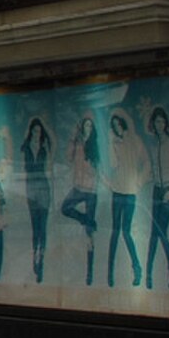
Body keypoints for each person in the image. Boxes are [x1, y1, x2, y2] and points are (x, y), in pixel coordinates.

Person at [106, 111, 149, 287]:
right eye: (114, 126)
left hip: (130, 191)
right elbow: (113, 164)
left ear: (123, 123)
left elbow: (146, 162)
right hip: (117, 190)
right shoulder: (114, 143)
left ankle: (137, 268)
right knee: (115, 232)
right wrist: (110, 142)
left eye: (118, 124)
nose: (117, 128)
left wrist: (139, 182)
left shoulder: (135, 140)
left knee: (125, 231)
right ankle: (110, 273)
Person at [144, 105, 169, 290]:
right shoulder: (154, 144)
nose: (159, 124)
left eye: (161, 121)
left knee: (162, 232)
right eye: (156, 121)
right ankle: (148, 274)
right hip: (156, 189)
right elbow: (152, 169)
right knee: (154, 232)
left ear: (165, 123)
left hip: (167, 190)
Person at [60, 116, 100, 285]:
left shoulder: (94, 144)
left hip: (91, 190)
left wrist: (98, 183)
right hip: (78, 187)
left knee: (89, 235)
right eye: (86, 125)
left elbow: (98, 167)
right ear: (82, 127)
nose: (88, 128)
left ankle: (89, 272)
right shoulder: (77, 143)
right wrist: (73, 138)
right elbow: (68, 158)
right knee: (65, 208)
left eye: (90, 126)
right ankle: (85, 219)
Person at [19, 118, 53, 283]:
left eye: (39, 131)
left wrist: (47, 148)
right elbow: (21, 171)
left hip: (43, 189)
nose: (36, 134)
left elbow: (50, 169)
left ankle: (42, 262)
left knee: (43, 228)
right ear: (31, 131)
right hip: (31, 189)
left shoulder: (44, 148)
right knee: (35, 227)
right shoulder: (25, 147)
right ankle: (35, 256)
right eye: (34, 130)